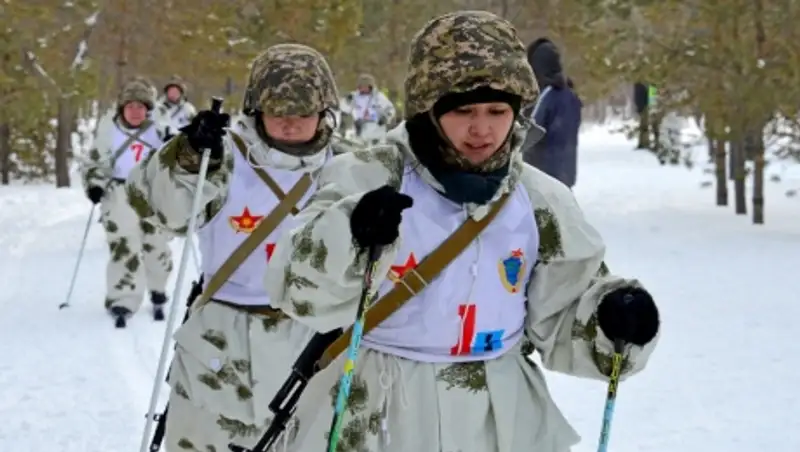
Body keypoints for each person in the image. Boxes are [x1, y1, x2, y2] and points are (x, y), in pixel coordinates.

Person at [265, 10, 660, 452]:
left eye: (498, 111)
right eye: (464, 110)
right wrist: (350, 232)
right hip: (379, 405)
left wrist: (614, 320)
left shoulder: (539, 199)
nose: (482, 129)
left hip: (497, 415)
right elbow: (295, 286)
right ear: (430, 108)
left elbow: (566, 309)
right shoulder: (368, 175)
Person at [125, 43, 343, 452]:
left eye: (303, 113)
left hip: (314, 341)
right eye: (279, 113)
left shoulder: (349, 166)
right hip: (221, 343)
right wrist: (184, 157)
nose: (290, 124)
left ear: (324, 111)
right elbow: (154, 206)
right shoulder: (221, 157)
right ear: (257, 109)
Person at [79, 78, 172, 328]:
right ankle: (122, 299)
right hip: (119, 193)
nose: (135, 111)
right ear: (122, 108)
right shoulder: (109, 130)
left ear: (148, 109)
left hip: (152, 193)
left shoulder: (160, 129)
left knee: (157, 247)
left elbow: (178, 161)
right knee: (123, 247)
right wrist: (95, 184)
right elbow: (95, 162)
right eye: (130, 106)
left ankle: (158, 289)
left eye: (141, 106)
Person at [521, 37, 582, 189]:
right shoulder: (569, 94)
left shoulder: (546, 96)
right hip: (563, 176)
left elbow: (529, 134)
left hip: (543, 178)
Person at [342, 73, 396, 144]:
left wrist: (385, 118)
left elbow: (390, 109)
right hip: (359, 130)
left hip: (376, 130)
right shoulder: (354, 96)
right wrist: (347, 101)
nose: (361, 88)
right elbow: (344, 110)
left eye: (363, 86)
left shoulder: (378, 97)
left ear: (369, 86)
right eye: (360, 86)